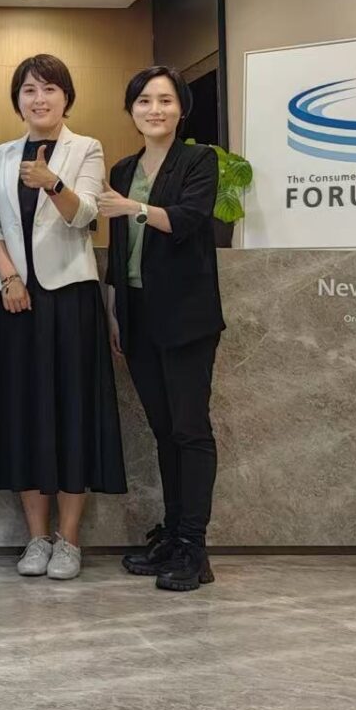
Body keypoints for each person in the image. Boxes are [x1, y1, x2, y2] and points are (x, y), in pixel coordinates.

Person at [0, 53, 126, 580]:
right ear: (18, 101)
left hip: (69, 299)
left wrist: (53, 183)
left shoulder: (87, 148)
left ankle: (69, 540)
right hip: (14, 300)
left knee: (71, 414)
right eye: (29, 90)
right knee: (23, 414)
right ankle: (36, 537)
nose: (40, 99)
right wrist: (10, 277)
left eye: (50, 89)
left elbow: (86, 216)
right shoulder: (2, 154)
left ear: (67, 97)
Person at [97, 65, 226, 592]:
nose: (155, 110)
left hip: (186, 317)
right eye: (145, 101)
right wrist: (113, 311)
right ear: (131, 110)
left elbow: (189, 220)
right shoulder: (124, 167)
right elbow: (118, 250)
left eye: (165, 100)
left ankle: (195, 547)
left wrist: (132, 207)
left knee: (190, 430)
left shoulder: (199, 160)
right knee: (164, 431)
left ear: (182, 109)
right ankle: (173, 535)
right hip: (137, 315)